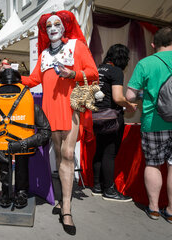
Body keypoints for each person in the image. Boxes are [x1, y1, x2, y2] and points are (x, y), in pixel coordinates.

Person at [21, 11, 98, 235]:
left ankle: (67, 210)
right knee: (57, 156)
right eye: (48, 25)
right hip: (49, 111)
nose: (53, 28)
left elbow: (93, 73)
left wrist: (72, 73)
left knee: (66, 155)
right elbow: (35, 79)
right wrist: (14, 76)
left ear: (65, 26)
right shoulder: (44, 53)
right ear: (45, 31)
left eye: (57, 24)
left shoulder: (77, 46)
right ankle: (59, 200)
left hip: (71, 108)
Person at [0, 68, 51, 208]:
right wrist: (24, 143)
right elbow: (46, 131)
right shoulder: (29, 101)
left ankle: (11, 192)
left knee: (8, 166)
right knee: (21, 166)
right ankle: (17, 192)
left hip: (3, 144)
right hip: (21, 143)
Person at [126, 26, 172, 223]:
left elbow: (129, 95)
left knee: (153, 163)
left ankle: (153, 208)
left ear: (153, 44)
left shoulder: (146, 63)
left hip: (154, 121)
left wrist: (144, 94)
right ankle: (170, 211)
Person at [92, 44, 137, 201]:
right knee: (109, 153)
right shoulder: (116, 71)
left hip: (95, 115)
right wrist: (129, 105)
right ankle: (109, 190)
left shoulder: (97, 69)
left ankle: (97, 186)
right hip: (111, 117)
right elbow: (118, 98)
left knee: (99, 149)